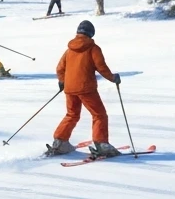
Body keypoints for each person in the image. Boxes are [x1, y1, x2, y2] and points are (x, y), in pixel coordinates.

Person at [49, 20, 121, 158]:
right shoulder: (93, 48)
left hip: (70, 88)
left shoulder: (69, 50)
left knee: (72, 114)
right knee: (99, 115)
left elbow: (60, 68)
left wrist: (62, 81)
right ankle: (102, 144)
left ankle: (60, 142)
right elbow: (101, 67)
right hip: (86, 88)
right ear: (91, 33)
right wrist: (113, 78)